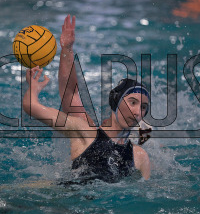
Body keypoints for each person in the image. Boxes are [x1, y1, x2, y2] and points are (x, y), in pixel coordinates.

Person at [23, 15, 151, 183]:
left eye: (143, 107)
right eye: (132, 102)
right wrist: (67, 50)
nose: (137, 112)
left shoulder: (140, 157)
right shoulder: (84, 131)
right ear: (116, 102)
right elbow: (35, 105)